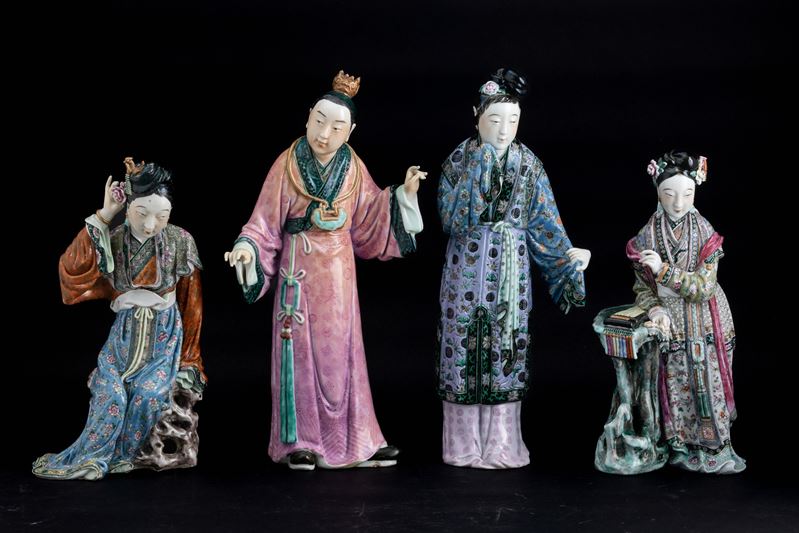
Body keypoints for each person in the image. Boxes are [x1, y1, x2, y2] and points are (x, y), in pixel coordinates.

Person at [224, 71, 425, 471]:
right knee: (299, 353)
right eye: (319, 121)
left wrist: (403, 196)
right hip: (298, 270)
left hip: (339, 270)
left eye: (336, 127)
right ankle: (300, 441)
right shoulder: (287, 164)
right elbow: (262, 224)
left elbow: (370, 215)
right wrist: (246, 249)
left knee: (345, 355)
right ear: (307, 118)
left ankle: (359, 440)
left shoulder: (353, 167)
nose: (324, 133)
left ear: (350, 133)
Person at [436, 68, 591, 468]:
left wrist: (568, 258)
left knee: (507, 345)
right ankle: (461, 445)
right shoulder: (459, 160)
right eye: (494, 120)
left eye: (513, 120)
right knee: (461, 345)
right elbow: (449, 219)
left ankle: (502, 445)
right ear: (476, 116)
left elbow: (545, 224)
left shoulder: (529, 165)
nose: (504, 130)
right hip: (465, 266)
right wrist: (479, 167)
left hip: (511, 269)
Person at [33, 158, 205, 480]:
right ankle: (93, 460)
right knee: (110, 392)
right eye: (141, 213)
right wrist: (105, 214)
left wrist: (191, 362)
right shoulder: (113, 239)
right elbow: (71, 271)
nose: (151, 225)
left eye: (162, 216)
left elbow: (192, 304)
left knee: (148, 394)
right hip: (123, 339)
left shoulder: (181, 241)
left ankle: (125, 456)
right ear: (128, 208)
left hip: (164, 339)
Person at [628, 151, 745, 473]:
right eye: (669, 194)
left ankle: (713, 447)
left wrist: (664, 271)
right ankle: (678, 445)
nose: (678, 203)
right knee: (673, 381)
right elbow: (642, 286)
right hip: (671, 320)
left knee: (706, 380)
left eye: (687, 194)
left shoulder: (704, 232)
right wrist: (654, 309)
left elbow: (704, 286)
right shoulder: (647, 234)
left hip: (703, 317)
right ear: (658, 193)